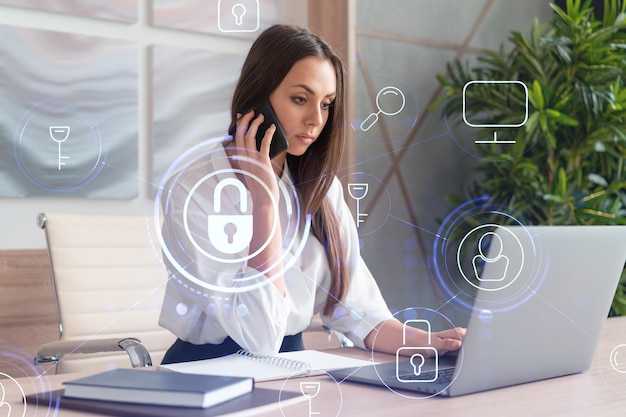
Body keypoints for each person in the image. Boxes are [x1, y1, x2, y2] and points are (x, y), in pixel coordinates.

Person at [159, 24, 464, 364]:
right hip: (203, 374)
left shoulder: (320, 188)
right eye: (300, 99)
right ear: (258, 95)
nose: (315, 120)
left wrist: (435, 343)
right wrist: (264, 201)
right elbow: (260, 337)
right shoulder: (196, 189)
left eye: (327, 104)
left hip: (289, 370)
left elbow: (362, 315)